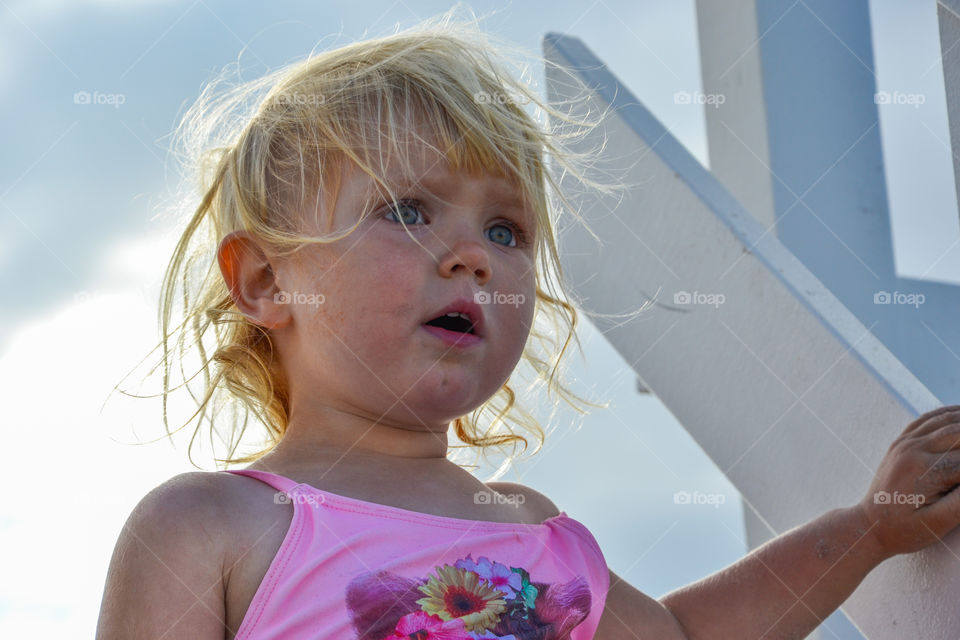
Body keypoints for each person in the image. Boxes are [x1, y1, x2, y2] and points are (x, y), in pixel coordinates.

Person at [95, 7, 960, 639]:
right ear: (263, 281)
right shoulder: (203, 526)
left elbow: (682, 639)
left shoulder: (528, 526)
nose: (473, 253)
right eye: (407, 210)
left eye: (505, 230)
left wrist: (870, 527)